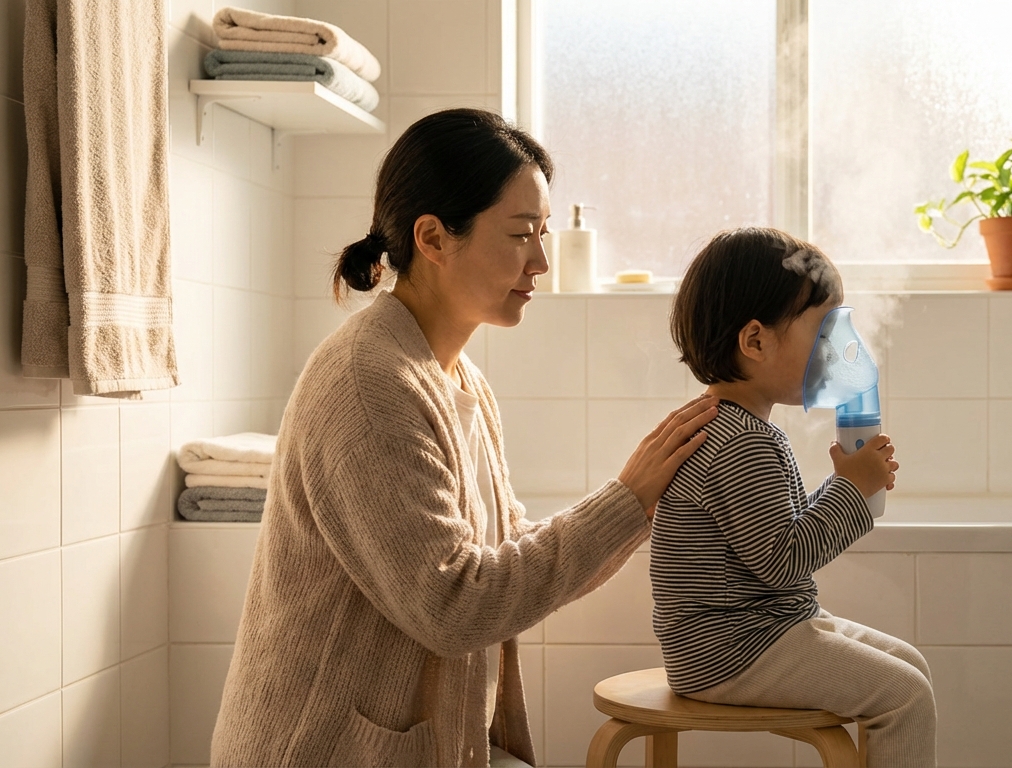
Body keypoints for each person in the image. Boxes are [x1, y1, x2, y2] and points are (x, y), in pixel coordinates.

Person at [209, 108, 718, 768]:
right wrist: (625, 499)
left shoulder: (457, 379)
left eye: (543, 234)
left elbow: (507, 555)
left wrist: (647, 503)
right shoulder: (369, 383)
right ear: (432, 237)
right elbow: (454, 605)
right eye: (519, 235)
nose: (540, 260)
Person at [652, 227, 937, 767]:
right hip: (735, 648)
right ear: (756, 341)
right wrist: (852, 488)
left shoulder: (734, 429)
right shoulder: (742, 443)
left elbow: (770, 540)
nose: (837, 350)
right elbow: (784, 562)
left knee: (910, 666)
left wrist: (845, 485)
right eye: (823, 331)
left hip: (749, 632)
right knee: (905, 696)